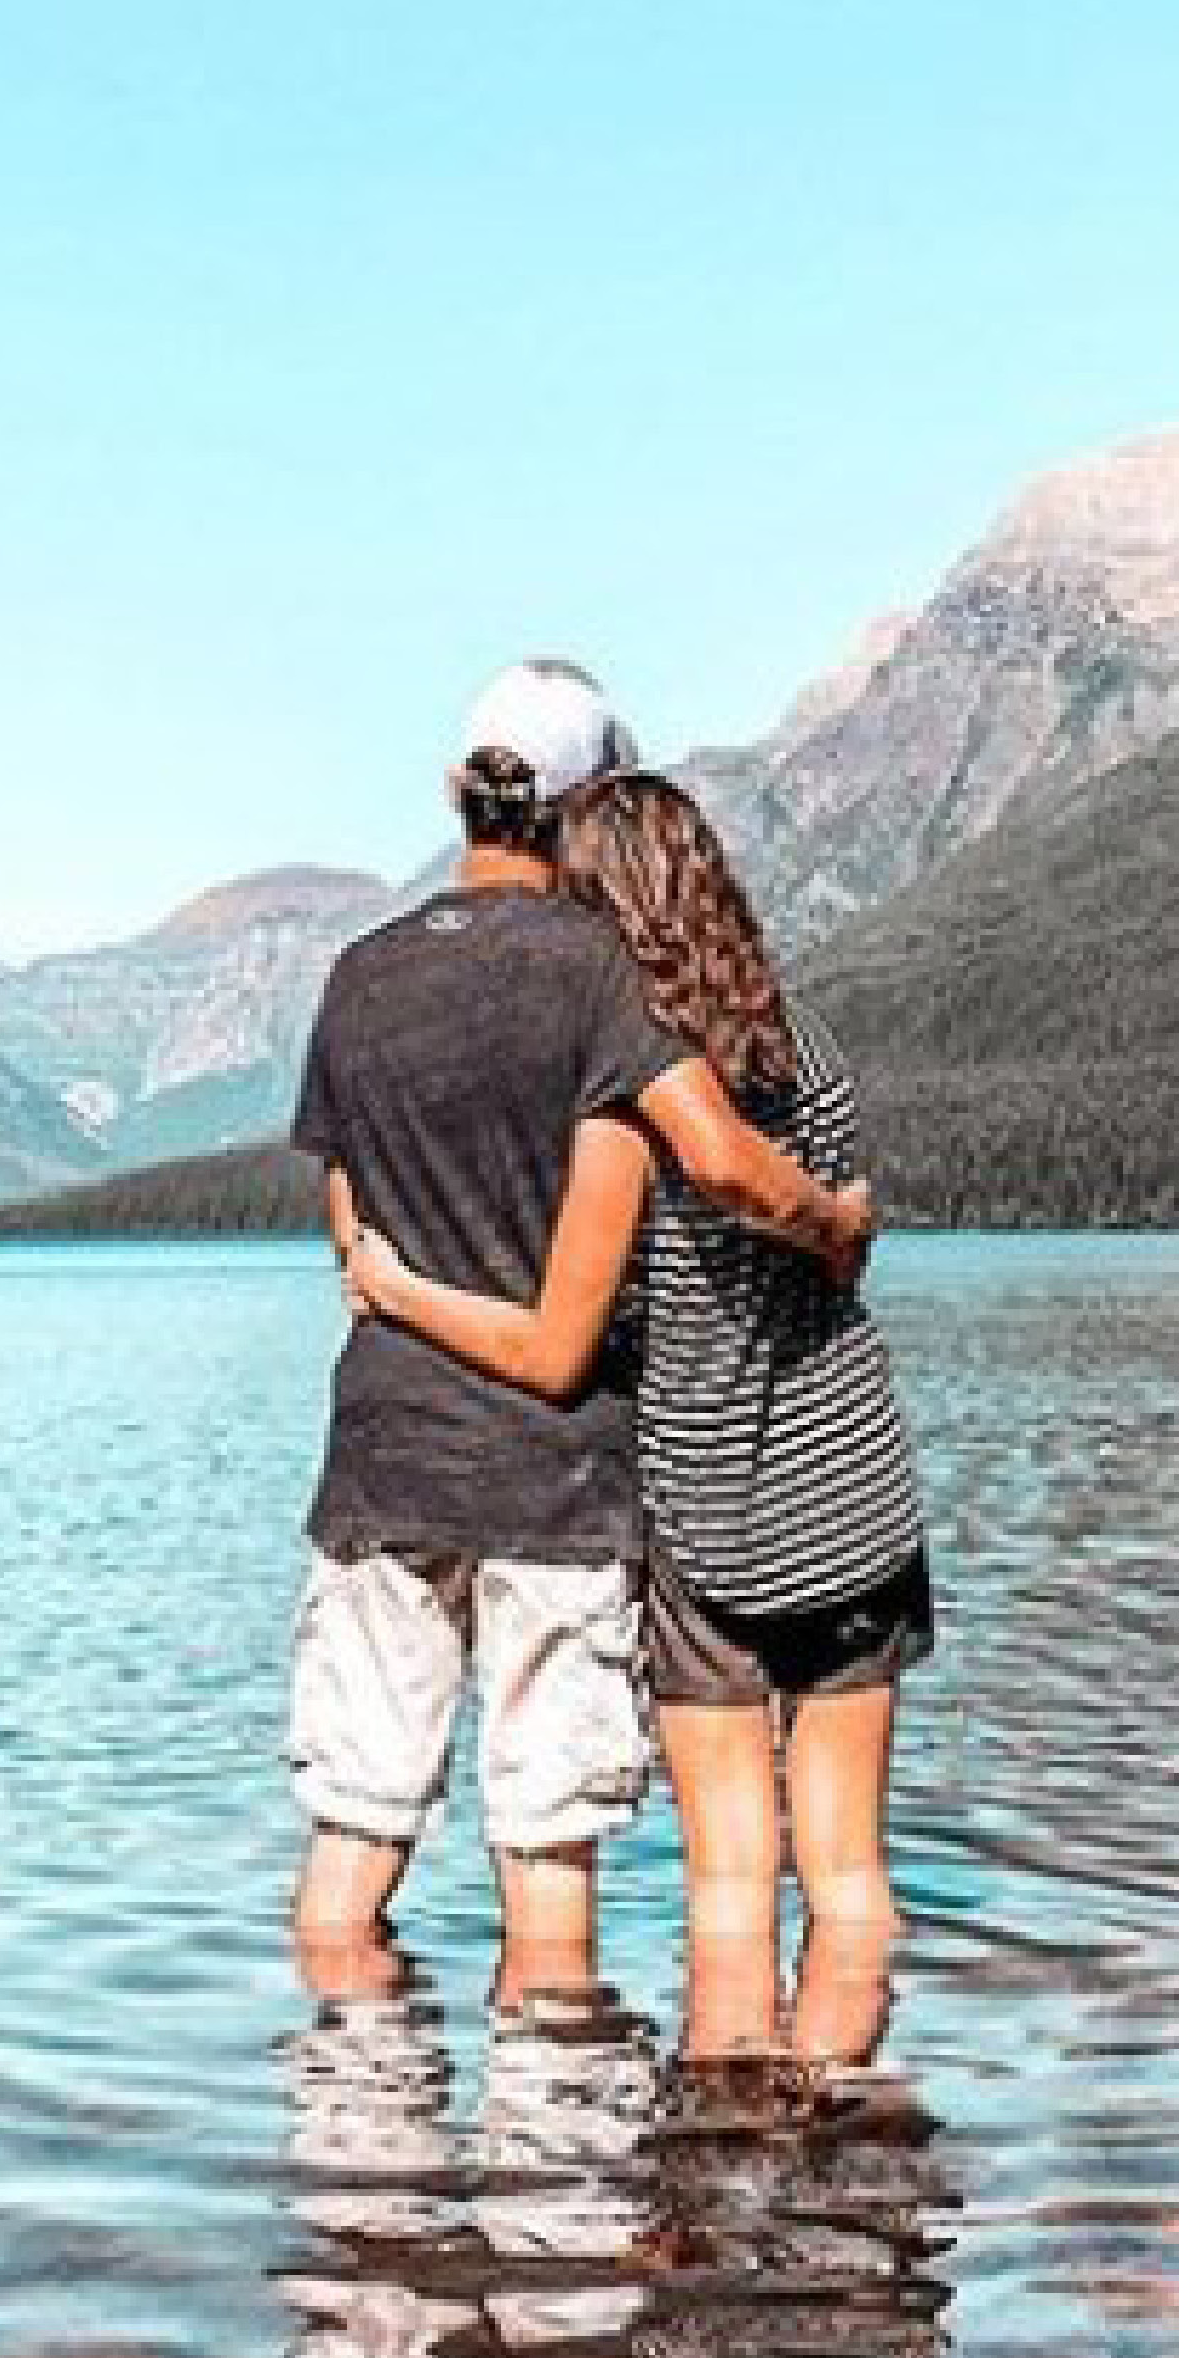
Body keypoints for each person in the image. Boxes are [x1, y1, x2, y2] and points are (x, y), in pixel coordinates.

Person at [337, 766, 929, 2079]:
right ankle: (845, 2170)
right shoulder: (806, 1047)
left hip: (708, 1513)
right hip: (854, 1493)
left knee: (728, 1886)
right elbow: (821, 1232)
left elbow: (570, 1336)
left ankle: (729, 2178)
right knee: (848, 1878)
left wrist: (396, 1287)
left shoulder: (625, 1109)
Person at [275, 661, 756, 2021]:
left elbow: (351, 1237)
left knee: (350, 1846)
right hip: (552, 1476)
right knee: (545, 1871)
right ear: (591, 801)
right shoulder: (611, 976)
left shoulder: (357, 976)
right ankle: (554, 2195)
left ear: (456, 792)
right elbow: (694, 1171)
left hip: (384, 1459)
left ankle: (358, 2193)